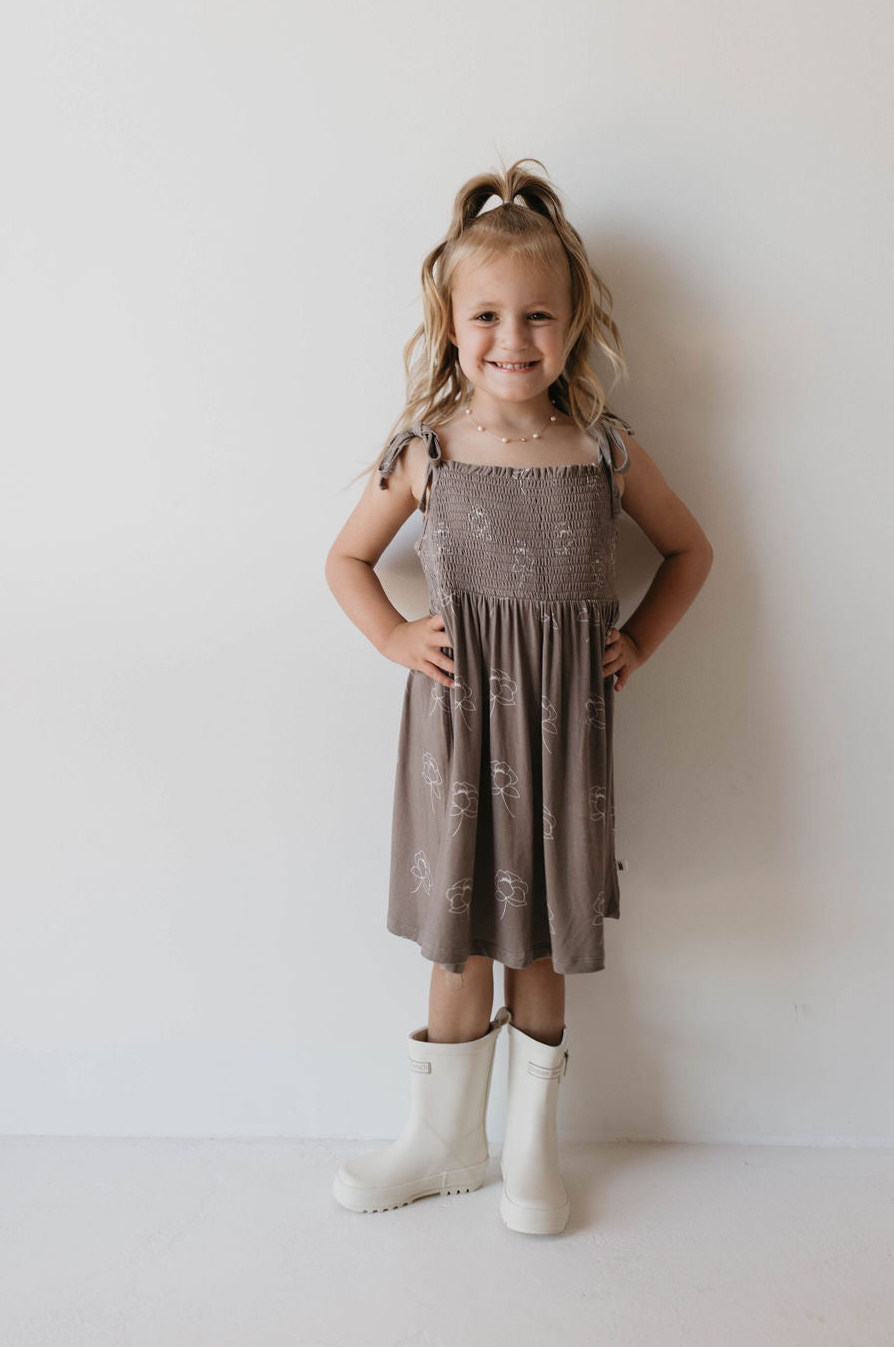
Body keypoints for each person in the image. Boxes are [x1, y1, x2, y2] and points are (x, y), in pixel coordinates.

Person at [325, 157, 713, 1234]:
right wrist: (398, 632)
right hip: (457, 740)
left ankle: (532, 1152)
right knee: (457, 946)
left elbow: (688, 550)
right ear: (451, 326)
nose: (512, 338)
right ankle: (444, 1142)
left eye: (536, 315)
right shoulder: (426, 454)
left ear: (573, 319)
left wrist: (634, 637)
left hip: (560, 740)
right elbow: (346, 561)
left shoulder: (602, 449)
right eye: (487, 315)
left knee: (538, 945)